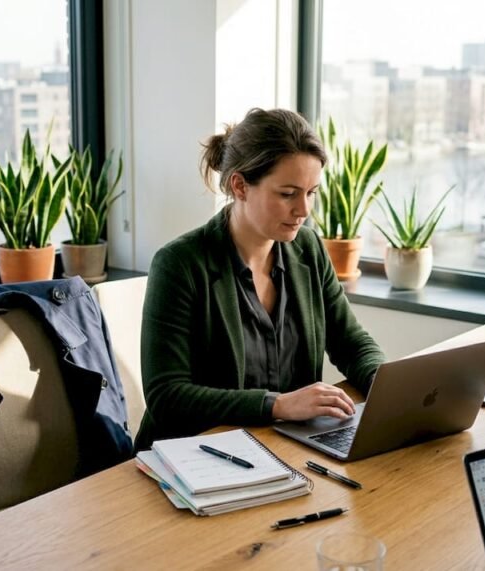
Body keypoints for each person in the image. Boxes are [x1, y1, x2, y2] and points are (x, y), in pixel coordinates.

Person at [134, 108, 385, 451]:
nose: (304, 210)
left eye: (311, 192)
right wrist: (276, 405)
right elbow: (167, 396)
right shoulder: (179, 264)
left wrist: (386, 387)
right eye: (287, 194)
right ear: (240, 186)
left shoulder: (307, 249)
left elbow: (352, 343)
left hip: (282, 449)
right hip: (196, 456)